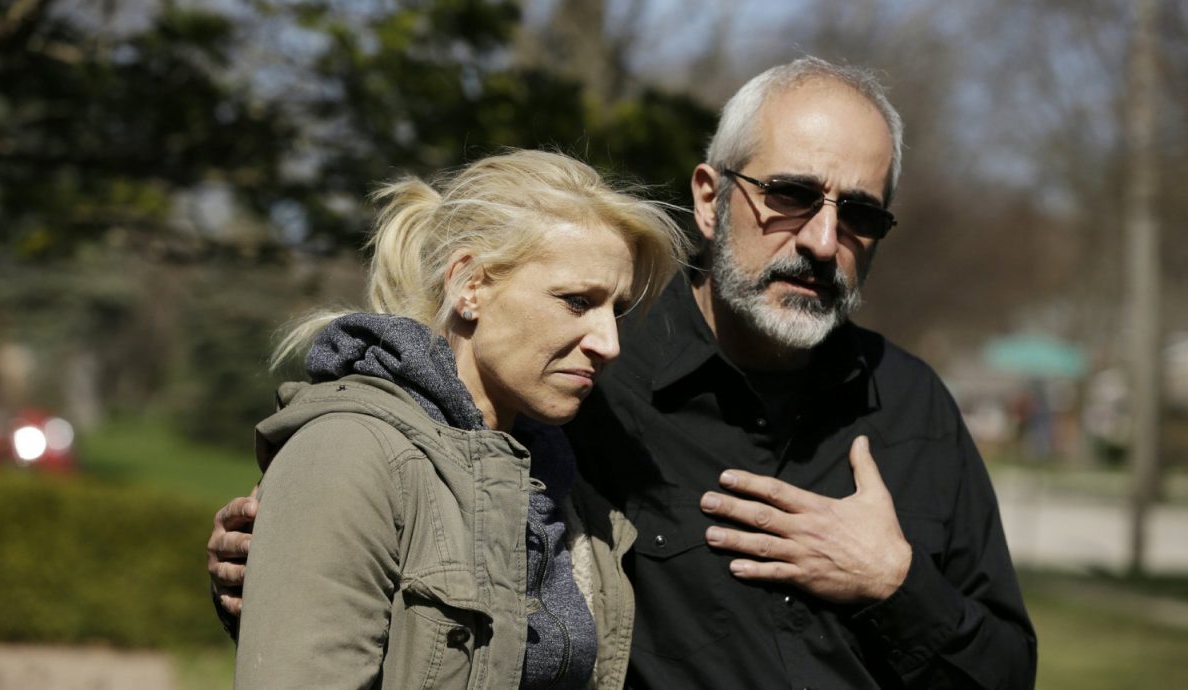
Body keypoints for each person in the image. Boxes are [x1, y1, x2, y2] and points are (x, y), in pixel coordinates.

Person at [211, 58, 1037, 689]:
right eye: (790, 194)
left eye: (859, 213)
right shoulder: (585, 377)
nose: (823, 241)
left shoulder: (916, 409)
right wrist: (293, 547)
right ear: (709, 198)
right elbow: (425, 484)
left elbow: (1006, 672)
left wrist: (894, 585)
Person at [225, 149, 691, 689]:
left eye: (618, 310)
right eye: (576, 301)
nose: (609, 343)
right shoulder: (348, 452)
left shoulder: (560, 480)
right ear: (469, 285)